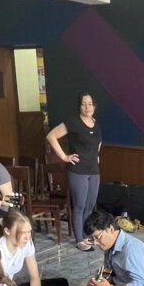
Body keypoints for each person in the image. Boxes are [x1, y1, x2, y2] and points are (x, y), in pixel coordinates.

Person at [45, 93, 102, 251]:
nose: (87, 107)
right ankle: (80, 239)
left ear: (94, 106)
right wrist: (64, 157)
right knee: (79, 205)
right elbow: (51, 136)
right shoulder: (72, 122)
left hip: (93, 170)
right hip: (77, 170)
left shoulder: (96, 123)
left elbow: (98, 142)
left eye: (90, 104)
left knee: (90, 205)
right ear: (79, 106)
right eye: (84, 104)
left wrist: (95, 155)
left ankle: (86, 234)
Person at [0, 209, 69, 286]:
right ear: (7, 231)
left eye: (29, 232)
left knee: (61, 284)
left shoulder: (27, 243)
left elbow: (34, 276)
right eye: (23, 233)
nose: (27, 237)